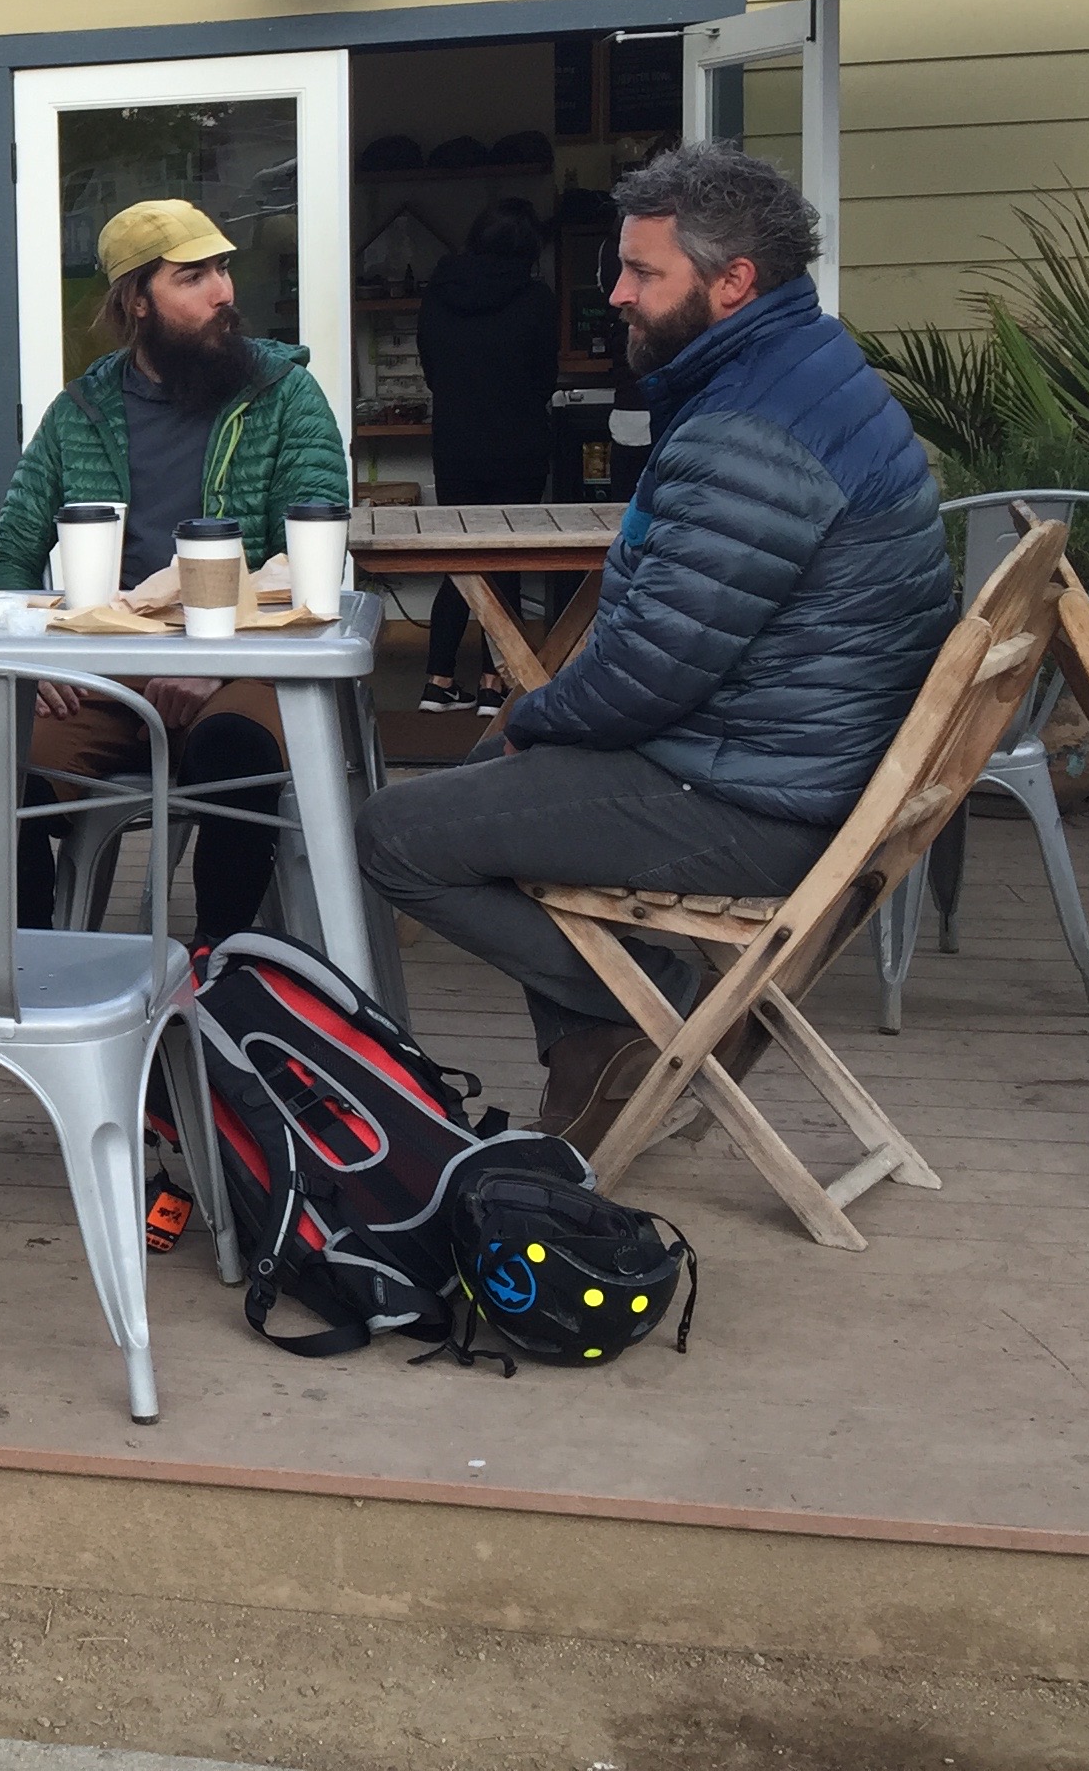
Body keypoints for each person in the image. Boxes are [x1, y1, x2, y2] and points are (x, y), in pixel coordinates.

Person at [355, 148, 951, 1152]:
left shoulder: (749, 434)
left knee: (397, 834)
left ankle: (650, 1009)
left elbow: (649, 672)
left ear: (733, 283)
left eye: (642, 274)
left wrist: (528, 719)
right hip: (793, 760)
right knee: (491, 788)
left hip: (759, 801)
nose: (615, 295)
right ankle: (600, 1050)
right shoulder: (805, 365)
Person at [0, 200, 352, 946]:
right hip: (113, 670)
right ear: (136, 302)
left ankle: (220, 961)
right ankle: (33, 963)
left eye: (223, 269)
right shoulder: (80, 411)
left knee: (235, 752)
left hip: (252, 660)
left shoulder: (283, 394)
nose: (224, 291)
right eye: (194, 277)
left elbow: (310, 546)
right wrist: (31, 660)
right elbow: (13, 553)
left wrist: (215, 658)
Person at [417, 197, 560, 715]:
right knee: (506, 561)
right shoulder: (537, 299)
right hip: (519, 443)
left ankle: (436, 681)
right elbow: (545, 378)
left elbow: (432, 371)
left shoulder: (439, 295)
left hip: (455, 442)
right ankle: (492, 684)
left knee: (460, 560)